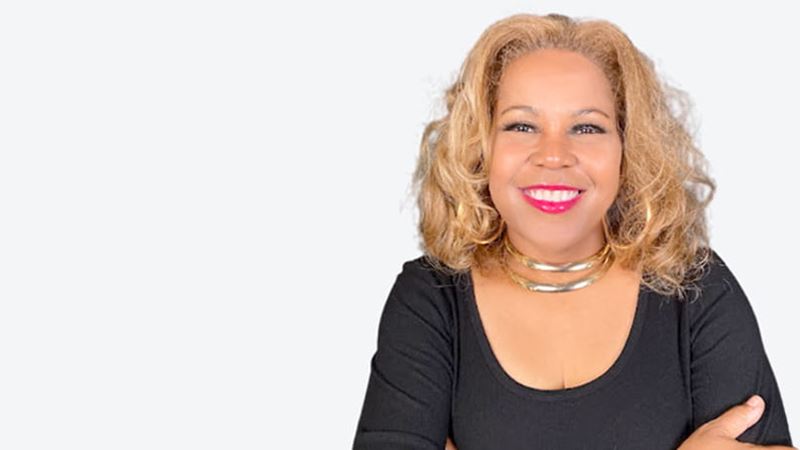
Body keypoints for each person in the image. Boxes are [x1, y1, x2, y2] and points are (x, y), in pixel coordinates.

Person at [352, 12, 793, 450]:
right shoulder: (430, 297)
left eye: (587, 127)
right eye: (521, 126)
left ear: (628, 148)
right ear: (481, 147)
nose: (554, 155)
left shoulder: (696, 287)